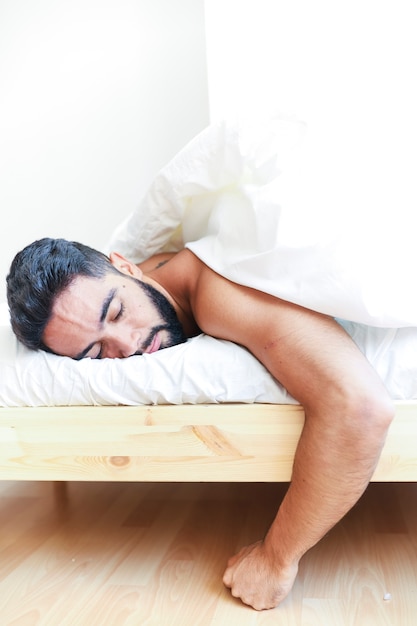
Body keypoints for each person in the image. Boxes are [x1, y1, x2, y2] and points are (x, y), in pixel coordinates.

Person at [7, 237, 394, 611]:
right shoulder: (153, 280)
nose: (127, 346)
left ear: (125, 266)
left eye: (117, 312)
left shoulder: (217, 294)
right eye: (95, 352)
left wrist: (276, 558)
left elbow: (359, 407)